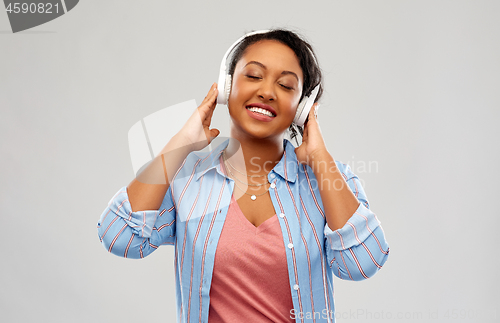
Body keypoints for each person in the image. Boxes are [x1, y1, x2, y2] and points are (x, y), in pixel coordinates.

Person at [97, 29, 390, 323]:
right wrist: (181, 142)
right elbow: (119, 237)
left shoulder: (328, 182)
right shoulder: (186, 179)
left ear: (302, 108)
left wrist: (321, 159)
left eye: (286, 85)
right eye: (253, 76)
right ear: (227, 86)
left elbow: (361, 264)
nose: (266, 91)